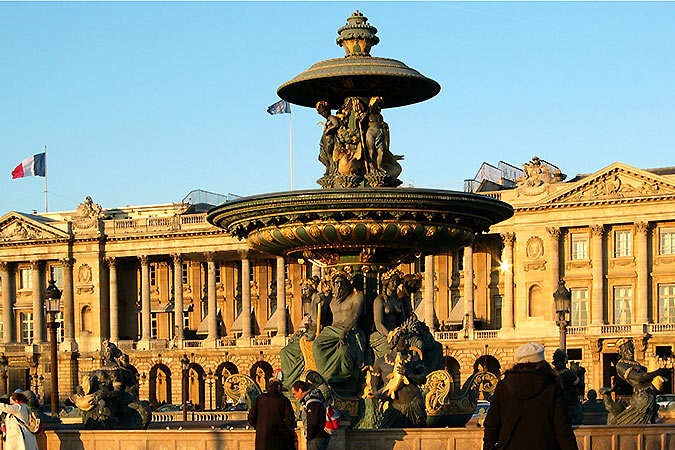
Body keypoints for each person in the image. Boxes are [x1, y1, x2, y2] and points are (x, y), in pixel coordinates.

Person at [483, 343, 578, 450]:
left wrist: (488, 446)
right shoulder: (551, 386)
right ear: (541, 362)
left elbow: (492, 425)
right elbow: (563, 429)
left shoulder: (504, 386)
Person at [247, 377, 295, 450]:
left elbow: (251, 417)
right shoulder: (284, 400)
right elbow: (290, 419)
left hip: (262, 439)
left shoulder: (259, 399)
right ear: (279, 387)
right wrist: (283, 429)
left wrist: (259, 427)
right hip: (278, 439)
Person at [291, 380, 331, 450]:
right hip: (318, 435)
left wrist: (309, 435)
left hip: (317, 436)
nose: (295, 396)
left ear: (300, 390)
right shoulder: (312, 399)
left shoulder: (312, 401)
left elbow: (313, 421)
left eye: (295, 393)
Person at [552, 349, 583, 425]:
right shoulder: (569, 374)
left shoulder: (552, 374)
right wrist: (577, 373)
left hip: (557, 406)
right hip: (571, 407)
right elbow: (580, 385)